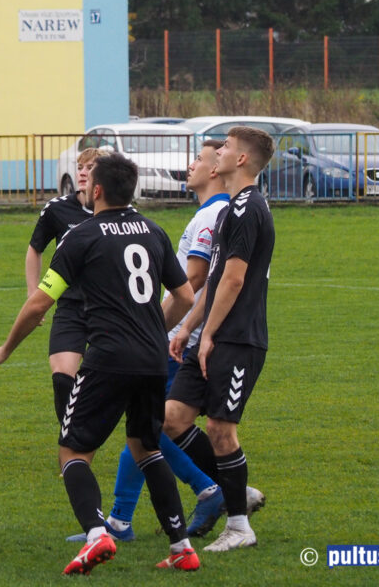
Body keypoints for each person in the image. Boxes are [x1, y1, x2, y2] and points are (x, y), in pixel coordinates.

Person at [0, 154, 201, 574]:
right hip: (152, 359)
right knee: (146, 448)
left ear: (97, 190)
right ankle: (182, 547)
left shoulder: (81, 236)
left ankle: (97, 535)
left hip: (108, 359)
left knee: (72, 451)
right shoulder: (153, 231)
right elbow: (186, 297)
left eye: (87, 182)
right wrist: (152, 330)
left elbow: (40, 303)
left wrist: (7, 348)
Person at [73, 140, 231, 545]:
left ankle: (214, 489)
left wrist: (155, 328)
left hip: (178, 337)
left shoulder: (210, 214)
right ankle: (123, 519)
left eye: (199, 159)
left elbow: (192, 281)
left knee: (155, 429)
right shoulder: (212, 212)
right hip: (170, 337)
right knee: (147, 429)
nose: (191, 165)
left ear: (215, 170)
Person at [163, 126, 276, 553]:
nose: (218, 152)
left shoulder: (248, 208)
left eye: (226, 146)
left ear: (241, 159)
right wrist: (188, 326)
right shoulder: (230, 209)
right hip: (211, 335)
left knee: (220, 429)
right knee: (172, 417)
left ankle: (239, 527)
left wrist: (207, 333)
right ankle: (236, 489)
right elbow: (213, 280)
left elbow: (234, 279)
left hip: (238, 339)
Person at [25, 147, 107, 423]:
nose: (83, 172)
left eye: (90, 167)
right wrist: (33, 295)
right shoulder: (58, 209)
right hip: (71, 306)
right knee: (62, 378)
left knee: (104, 381)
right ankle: (70, 437)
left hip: (107, 308)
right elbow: (35, 248)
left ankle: (87, 430)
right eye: (80, 166)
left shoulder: (117, 211)